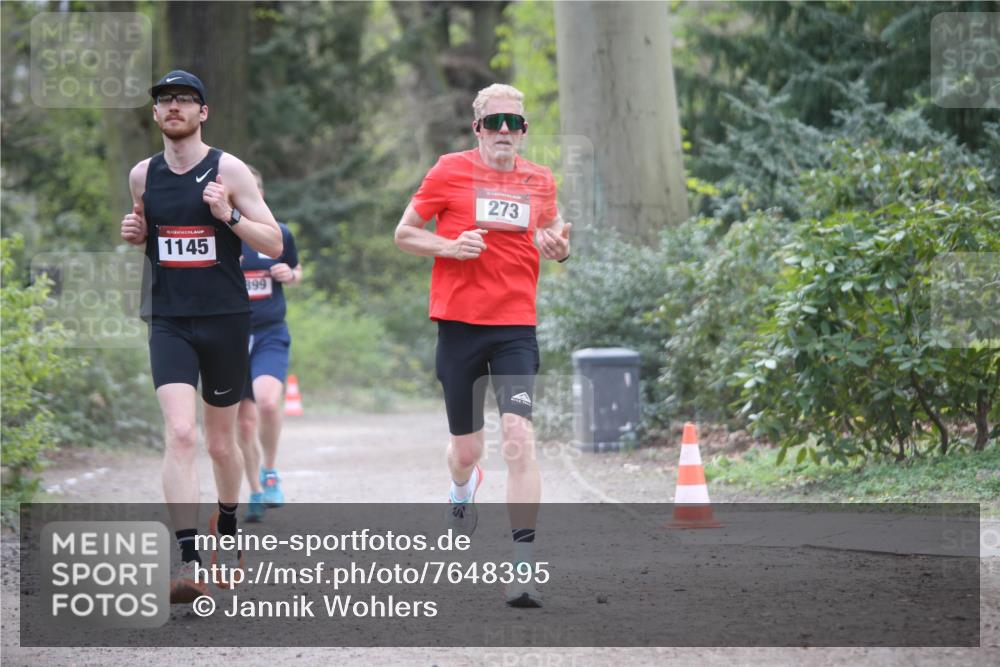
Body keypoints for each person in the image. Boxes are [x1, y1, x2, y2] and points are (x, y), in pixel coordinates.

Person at [394, 83, 571, 608]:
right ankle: (460, 490)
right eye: (493, 122)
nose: (503, 132)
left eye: (513, 124)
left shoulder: (540, 179)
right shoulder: (449, 170)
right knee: (466, 451)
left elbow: (554, 229)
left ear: (523, 131)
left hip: (516, 326)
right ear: (477, 128)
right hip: (459, 325)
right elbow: (404, 233)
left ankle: (523, 566)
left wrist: (561, 246)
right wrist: (448, 245)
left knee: (519, 436)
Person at [119, 70, 282, 604]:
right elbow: (151, 235)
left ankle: (228, 520)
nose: (174, 108)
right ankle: (188, 559)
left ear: (203, 112)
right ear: (156, 113)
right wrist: (137, 235)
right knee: (182, 435)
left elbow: (274, 241)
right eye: (165, 101)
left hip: (225, 319)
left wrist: (228, 212)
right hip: (168, 319)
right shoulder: (142, 175)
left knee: (221, 442)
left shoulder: (228, 168)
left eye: (185, 100)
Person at [236, 165, 302, 522]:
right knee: (243, 423)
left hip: (269, 333)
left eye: (255, 190)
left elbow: (296, 269)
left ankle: (270, 472)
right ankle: (255, 492)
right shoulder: (219, 239)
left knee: (267, 402)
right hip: (228, 338)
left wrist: (288, 274)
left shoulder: (279, 233)